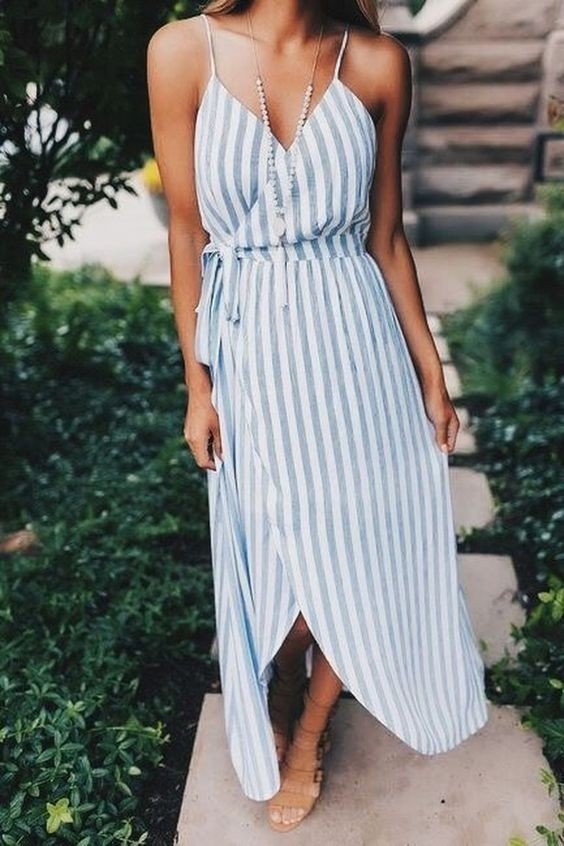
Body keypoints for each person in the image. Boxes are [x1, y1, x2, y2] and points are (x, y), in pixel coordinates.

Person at [146, 0, 489, 833]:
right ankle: (283, 676)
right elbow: (187, 234)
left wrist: (430, 371)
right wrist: (198, 386)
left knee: (362, 556)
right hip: (249, 354)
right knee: (277, 560)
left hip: (357, 349)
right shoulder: (181, 52)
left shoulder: (377, 62)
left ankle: (307, 731)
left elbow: (386, 238)